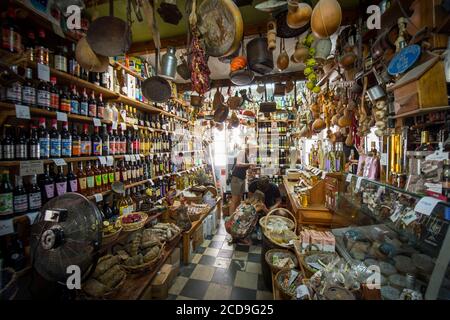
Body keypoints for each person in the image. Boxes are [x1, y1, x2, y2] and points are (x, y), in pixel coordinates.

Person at [229, 141, 254, 215]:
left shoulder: (248, 155)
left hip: (242, 178)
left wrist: (251, 168)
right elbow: (238, 164)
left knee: (239, 199)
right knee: (234, 199)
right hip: (236, 178)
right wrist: (249, 164)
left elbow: (245, 166)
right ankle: (231, 220)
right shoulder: (242, 152)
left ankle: (236, 217)